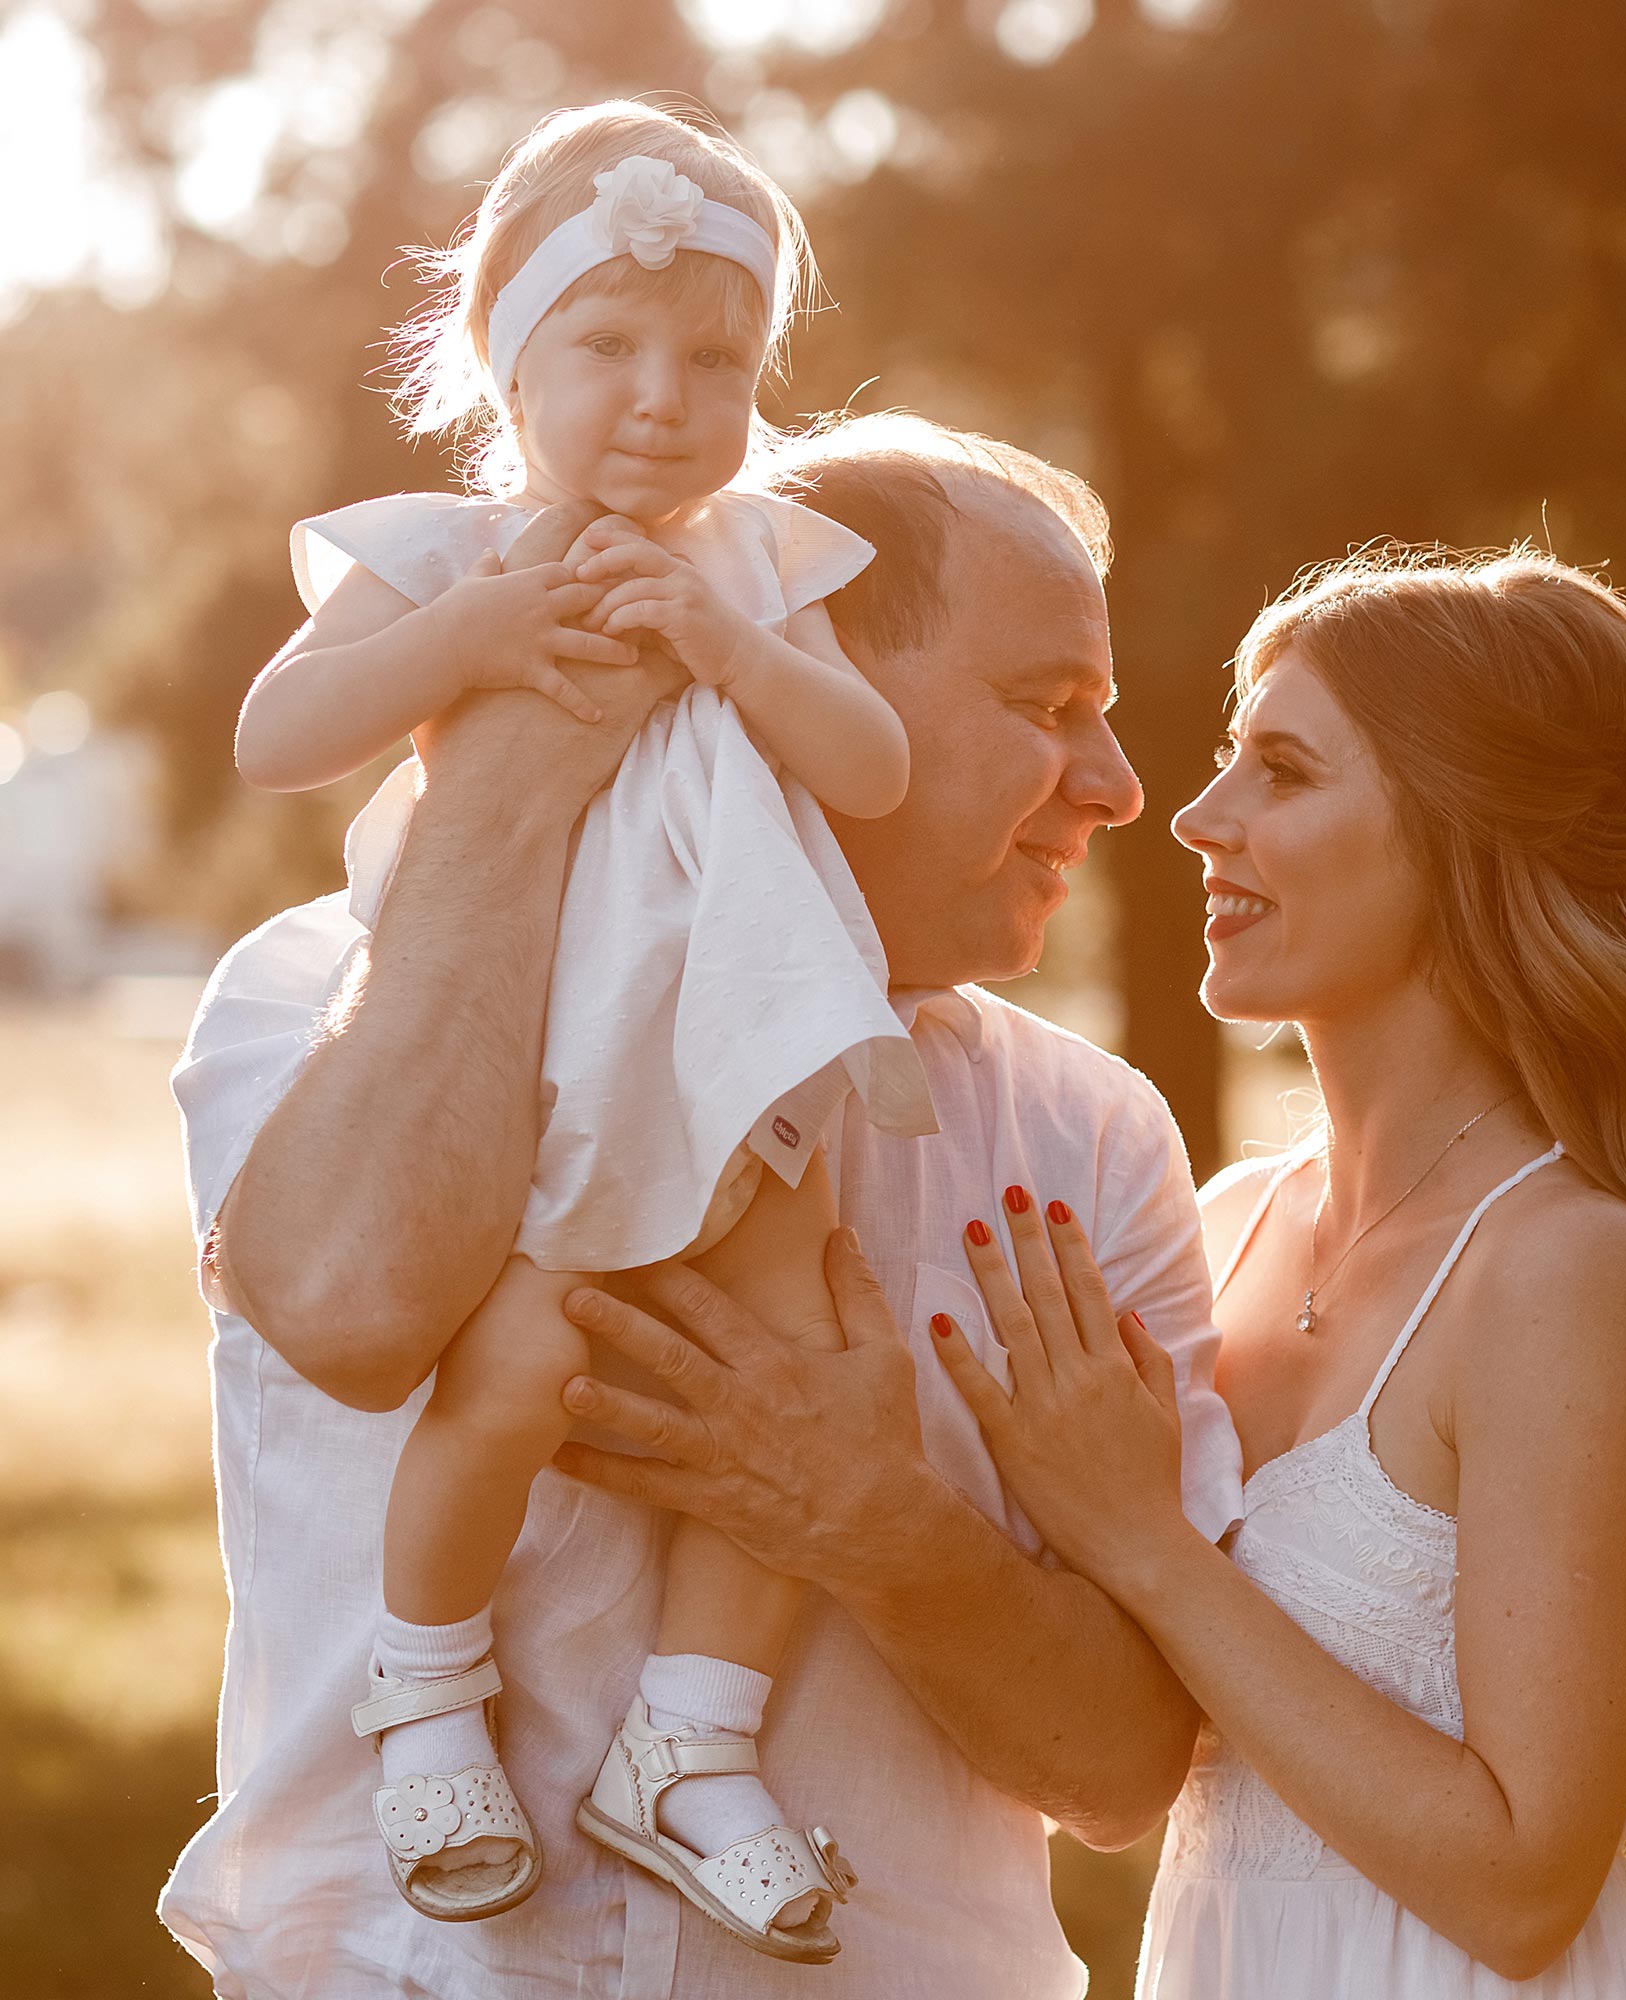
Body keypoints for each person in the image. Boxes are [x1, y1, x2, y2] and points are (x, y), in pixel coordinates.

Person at [163, 411, 1244, 1998]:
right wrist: (520, 783)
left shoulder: (1084, 1138)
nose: (1123, 785)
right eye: (1048, 706)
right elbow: (347, 1308)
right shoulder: (316, 997)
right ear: (786, 667)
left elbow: (1127, 1769)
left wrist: (879, 1521)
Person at [876, 548, 1626, 1994]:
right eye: (1231, 760)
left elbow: (1529, 1878)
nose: (1203, 819)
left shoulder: (1561, 1261)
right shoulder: (1221, 1224)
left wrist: (1147, 1547)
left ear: (1458, 828)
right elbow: (1140, 1772)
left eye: (1284, 773)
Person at [232, 99, 941, 1947]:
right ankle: (424, 1696)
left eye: (716, 358)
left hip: (733, 1054)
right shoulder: (440, 552)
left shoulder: (765, 564)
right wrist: (460, 645)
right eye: (607, 347)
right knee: (514, 1377)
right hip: (535, 1064)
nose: (661, 396)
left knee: (781, 1370)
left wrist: (731, 648)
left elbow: (868, 770)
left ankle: (691, 1746)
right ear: (504, 357)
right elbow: (275, 738)